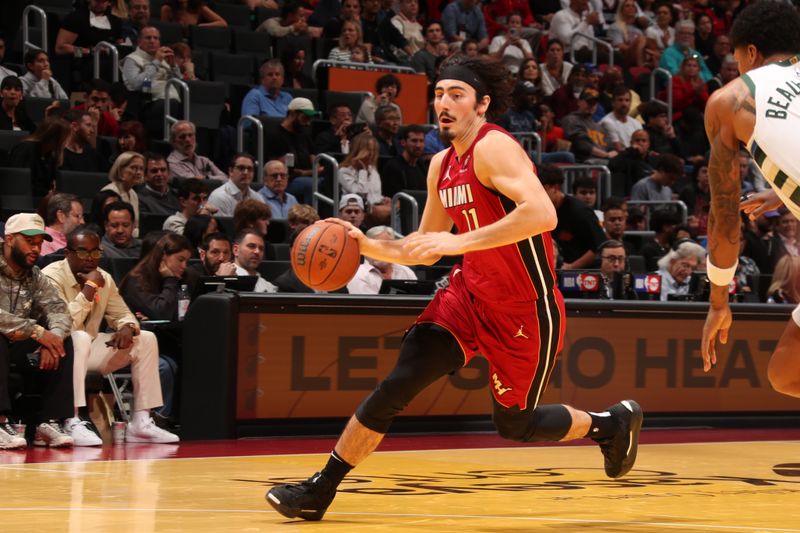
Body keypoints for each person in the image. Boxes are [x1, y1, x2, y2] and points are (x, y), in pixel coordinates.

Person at [265, 57, 642, 521]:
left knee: (515, 425)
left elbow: (543, 214)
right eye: (439, 93)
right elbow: (424, 248)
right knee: (396, 385)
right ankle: (320, 489)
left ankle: (609, 423)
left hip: (525, 309)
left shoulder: (495, 147)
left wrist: (458, 241)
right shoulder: (441, 164)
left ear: (482, 105)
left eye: (456, 94)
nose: (443, 103)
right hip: (466, 298)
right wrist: (368, 246)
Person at [42, 228, 180, 444]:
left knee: (145, 338)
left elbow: (123, 314)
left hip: (89, 349)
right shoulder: (51, 276)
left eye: (95, 253)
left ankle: (141, 422)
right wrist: (89, 289)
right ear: (68, 253)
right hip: (61, 351)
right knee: (79, 338)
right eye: (83, 252)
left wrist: (127, 327)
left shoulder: (104, 277)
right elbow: (63, 324)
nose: (90, 259)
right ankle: (72, 419)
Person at [0, 214, 75, 449]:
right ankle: (0, 423)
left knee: (65, 342)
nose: (37, 248)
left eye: (40, 242)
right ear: (10, 239)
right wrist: (37, 331)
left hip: (18, 351)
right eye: (30, 242)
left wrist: (51, 340)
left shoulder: (35, 276)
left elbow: (59, 310)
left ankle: (48, 423)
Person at [119, 233, 199, 322]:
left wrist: (153, 316)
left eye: (186, 261)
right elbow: (163, 313)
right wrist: (170, 280)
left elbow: (186, 313)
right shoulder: (136, 280)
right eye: (180, 260)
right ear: (163, 256)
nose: (184, 266)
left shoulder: (186, 276)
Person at [540, 165, 607, 269]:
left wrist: (572, 266)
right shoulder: (542, 211)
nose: (538, 195)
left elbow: (599, 246)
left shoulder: (580, 212)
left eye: (543, 190)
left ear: (556, 188)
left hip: (583, 275)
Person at [8, 117, 69, 197]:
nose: (67, 141)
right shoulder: (26, 149)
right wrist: (47, 194)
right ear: (55, 137)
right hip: (23, 199)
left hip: (40, 199)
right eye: (66, 137)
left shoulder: (50, 155)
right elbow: (18, 183)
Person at [346, 226, 418, 294]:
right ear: (366, 248)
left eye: (388, 246)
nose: (382, 251)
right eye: (377, 246)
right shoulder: (358, 274)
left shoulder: (406, 271)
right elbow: (366, 305)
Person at [339, 133, 391, 224]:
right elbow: (360, 194)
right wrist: (362, 171)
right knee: (392, 212)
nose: (372, 154)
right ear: (358, 151)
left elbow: (375, 193)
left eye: (374, 151)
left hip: (376, 206)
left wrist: (383, 199)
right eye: (369, 150)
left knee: (400, 205)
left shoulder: (372, 169)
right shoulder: (344, 171)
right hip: (358, 207)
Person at [208, 153, 265, 217]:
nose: (246, 172)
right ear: (231, 171)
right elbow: (224, 226)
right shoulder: (219, 196)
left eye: (249, 169)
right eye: (241, 168)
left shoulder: (258, 198)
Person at [381, 124, 429, 198]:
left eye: (421, 141)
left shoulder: (423, 166)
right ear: (403, 142)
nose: (418, 145)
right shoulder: (393, 167)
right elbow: (393, 198)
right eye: (414, 141)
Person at [103, 151, 145, 235]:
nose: (138, 172)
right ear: (120, 170)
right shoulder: (110, 193)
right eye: (133, 168)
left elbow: (135, 226)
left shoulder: (133, 193)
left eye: (141, 168)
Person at [599, 86, 642, 152]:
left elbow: (643, 145)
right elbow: (619, 149)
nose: (624, 104)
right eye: (620, 100)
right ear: (613, 103)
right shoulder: (607, 122)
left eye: (627, 100)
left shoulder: (636, 123)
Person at [160, 0, 227, 30]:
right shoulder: (167, 9)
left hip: (192, 43)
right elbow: (165, 31)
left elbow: (222, 23)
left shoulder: (199, 8)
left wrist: (200, 26)